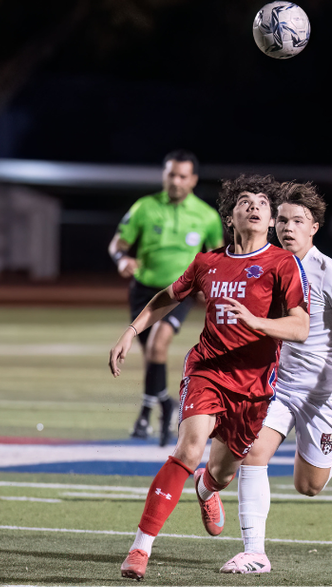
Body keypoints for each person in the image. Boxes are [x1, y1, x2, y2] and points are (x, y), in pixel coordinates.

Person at [109, 175, 310, 581]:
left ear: (271, 220)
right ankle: (139, 548)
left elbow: (300, 327)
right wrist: (131, 332)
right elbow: (167, 296)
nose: (254, 206)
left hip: (253, 386)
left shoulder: (283, 264)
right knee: (189, 447)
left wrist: (257, 322)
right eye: (245, 201)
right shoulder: (207, 262)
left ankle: (205, 489)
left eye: (262, 204)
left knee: (222, 473)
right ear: (230, 215)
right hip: (207, 369)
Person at [219, 181, 332, 575]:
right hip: (279, 388)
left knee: (309, 486)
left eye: (297, 221)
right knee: (254, 453)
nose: (287, 228)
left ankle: (327, 450)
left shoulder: (330, 274)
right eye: (282, 220)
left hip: (323, 396)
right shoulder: (265, 266)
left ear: (314, 227)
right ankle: (255, 552)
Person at [108, 150, 224, 446]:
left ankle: (146, 414)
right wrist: (122, 259)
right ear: (164, 176)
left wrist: (208, 286)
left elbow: (218, 257)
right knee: (151, 355)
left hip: (178, 293)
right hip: (144, 291)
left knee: (158, 344)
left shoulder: (207, 216)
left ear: (194, 180)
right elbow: (118, 244)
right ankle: (161, 404)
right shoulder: (144, 208)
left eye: (183, 176)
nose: (176, 181)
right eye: (171, 174)